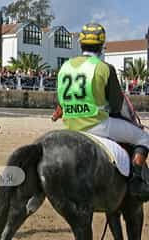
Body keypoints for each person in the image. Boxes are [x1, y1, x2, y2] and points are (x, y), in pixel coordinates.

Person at [54, 23, 149, 200]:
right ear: (101, 45)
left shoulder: (65, 66)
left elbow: (60, 99)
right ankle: (136, 182)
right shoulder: (104, 68)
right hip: (97, 124)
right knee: (144, 138)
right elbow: (115, 104)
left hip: (70, 125)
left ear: (81, 45)